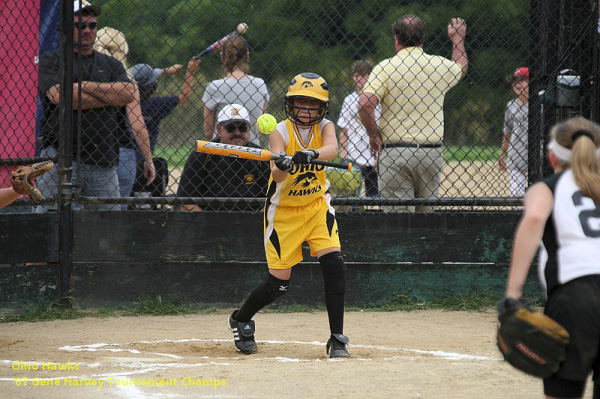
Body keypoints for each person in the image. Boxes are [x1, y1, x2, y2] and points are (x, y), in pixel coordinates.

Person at [228, 73, 350, 359]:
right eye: (300, 102)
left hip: (317, 205)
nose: (305, 109)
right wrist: (283, 162)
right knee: (279, 284)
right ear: (290, 104)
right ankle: (241, 318)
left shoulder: (326, 126)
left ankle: (337, 339)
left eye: (312, 103)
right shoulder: (279, 131)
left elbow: (332, 149)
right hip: (284, 213)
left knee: (334, 264)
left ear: (322, 107)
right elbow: (277, 174)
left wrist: (310, 154)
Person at [501, 116, 600, 399]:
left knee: (564, 392)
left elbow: (533, 218)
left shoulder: (547, 188)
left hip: (576, 294)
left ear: (552, 157)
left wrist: (513, 294)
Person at [358, 15, 468, 212]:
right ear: (422, 39)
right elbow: (460, 68)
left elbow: (365, 103)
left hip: (395, 151)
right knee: (426, 221)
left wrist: (373, 133)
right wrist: (457, 39)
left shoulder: (385, 68)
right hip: (430, 151)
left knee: (398, 222)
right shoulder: (438, 65)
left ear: (396, 39)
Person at [37, 1, 137, 211]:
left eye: (92, 25)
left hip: (103, 161)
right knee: (50, 223)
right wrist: (108, 95)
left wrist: (83, 86)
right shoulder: (52, 60)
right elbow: (60, 97)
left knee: (109, 228)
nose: (88, 30)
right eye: (80, 26)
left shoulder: (110, 64)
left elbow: (128, 93)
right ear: (64, 28)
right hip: (59, 158)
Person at [93, 26, 156, 208]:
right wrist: (148, 159)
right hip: (121, 150)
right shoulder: (127, 82)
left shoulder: (85, 75)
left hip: (87, 148)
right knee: (113, 214)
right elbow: (137, 125)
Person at [128, 58, 201, 204]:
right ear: (152, 88)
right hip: (143, 164)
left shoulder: (125, 101)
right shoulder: (155, 105)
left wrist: (166, 70)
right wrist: (190, 73)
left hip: (122, 159)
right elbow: (184, 96)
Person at [176, 104, 269, 212]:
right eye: (231, 128)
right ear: (219, 129)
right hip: (209, 223)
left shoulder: (261, 156)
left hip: (252, 223)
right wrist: (209, 223)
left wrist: (254, 222)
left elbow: (273, 200)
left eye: (242, 128)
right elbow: (185, 201)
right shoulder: (202, 155)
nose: (237, 133)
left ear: (249, 128)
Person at [202, 35, 269, 146]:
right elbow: (261, 129)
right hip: (252, 153)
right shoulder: (260, 84)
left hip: (221, 153)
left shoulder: (214, 87)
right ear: (247, 55)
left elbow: (209, 133)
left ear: (222, 57)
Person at [337, 60, 380, 198]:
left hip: (373, 155)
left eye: (363, 75)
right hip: (353, 155)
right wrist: (343, 154)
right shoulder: (349, 100)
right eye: (356, 75)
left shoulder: (378, 99)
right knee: (352, 197)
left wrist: (379, 157)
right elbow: (344, 130)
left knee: (374, 197)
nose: (359, 79)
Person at [499, 67, 529, 197]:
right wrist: (502, 154)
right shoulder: (511, 105)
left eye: (522, 80)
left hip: (538, 154)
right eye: (515, 81)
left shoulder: (541, 103)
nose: (517, 84)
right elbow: (507, 132)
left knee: (538, 192)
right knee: (516, 195)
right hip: (516, 152)